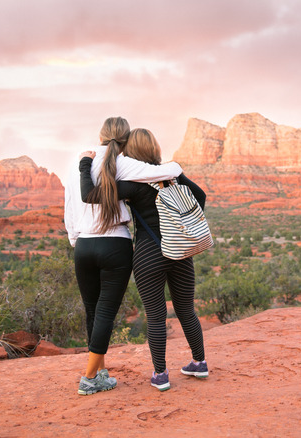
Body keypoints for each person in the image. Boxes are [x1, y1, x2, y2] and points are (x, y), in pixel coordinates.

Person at [80, 128, 209, 392]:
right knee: (186, 310)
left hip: (149, 254)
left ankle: (161, 375)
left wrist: (85, 165)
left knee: (156, 315)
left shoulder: (134, 184)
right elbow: (201, 197)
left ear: (132, 152)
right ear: (155, 148)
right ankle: (199, 362)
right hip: (181, 251)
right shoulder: (174, 175)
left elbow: (90, 196)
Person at [64, 117, 183, 396]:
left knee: (92, 310)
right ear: (126, 139)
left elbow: (71, 204)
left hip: (83, 245)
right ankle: (90, 377)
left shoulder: (79, 160)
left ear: (101, 135)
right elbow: (172, 170)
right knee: (105, 311)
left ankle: (100, 373)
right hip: (114, 244)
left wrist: (75, 239)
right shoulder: (124, 162)